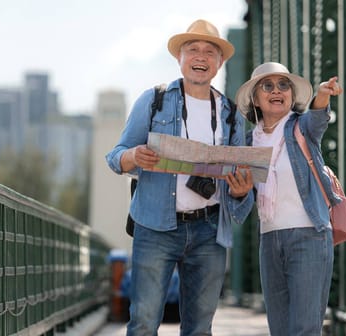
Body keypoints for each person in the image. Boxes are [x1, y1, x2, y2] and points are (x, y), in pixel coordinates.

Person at [105, 19, 254, 335]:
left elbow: (242, 175)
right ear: (180, 58)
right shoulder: (154, 99)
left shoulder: (230, 114)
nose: (201, 57)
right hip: (155, 226)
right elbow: (116, 156)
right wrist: (133, 156)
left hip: (210, 230)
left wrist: (241, 192)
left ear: (220, 62)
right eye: (193, 50)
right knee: (144, 323)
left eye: (209, 52)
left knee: (200, 328)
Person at [234, 62, 344, 335]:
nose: (276, 91)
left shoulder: (301, 128)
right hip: (270, 240)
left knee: (304, 329)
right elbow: (240, 202)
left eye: (284, 85)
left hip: (309, 236)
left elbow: (318, 117)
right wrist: (239, 191)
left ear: (293, 96)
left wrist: (323, 94)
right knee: (280, 330)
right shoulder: (247, 145)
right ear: (254, 98)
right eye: (267, 86)